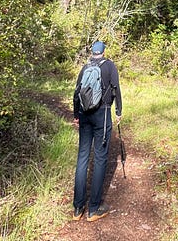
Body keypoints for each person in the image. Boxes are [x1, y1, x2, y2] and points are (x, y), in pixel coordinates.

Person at [72, 40, 122, 222]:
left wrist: (76, 114)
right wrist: (118, 111)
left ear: (92, 52)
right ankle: (94, 209)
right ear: (103, 52)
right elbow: (116, 89)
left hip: (85, 115)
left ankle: (77, 208)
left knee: (83, 157)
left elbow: (77, 91)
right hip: (103, 114)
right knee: (100, 158)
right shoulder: (109, 66)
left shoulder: (85, 68)